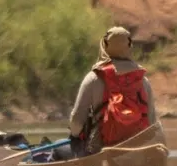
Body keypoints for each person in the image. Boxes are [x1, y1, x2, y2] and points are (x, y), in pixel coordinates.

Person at [62, 26, 158, 158]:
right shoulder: (143, 81)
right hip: (137, 151)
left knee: (59, 148)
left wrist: (75, 136)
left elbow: (77, 122)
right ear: (129, 46)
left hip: (101, 151)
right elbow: (152, 124)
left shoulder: (93, 78)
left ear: (105, 46)